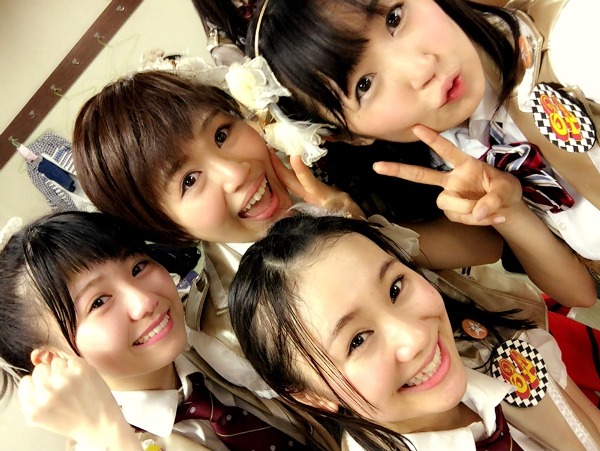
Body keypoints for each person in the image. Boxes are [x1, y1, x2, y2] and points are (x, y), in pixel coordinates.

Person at [72, 70, 595, 308]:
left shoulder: (335, 164)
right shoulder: (239, 312)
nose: (234, 172)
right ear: (166, 228)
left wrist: (358, 224)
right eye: (190, 181)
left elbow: (484, 244)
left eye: (223, 133)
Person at [244, 0, 600, 275]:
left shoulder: (577, 42)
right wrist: (513, 213)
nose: (421, 67)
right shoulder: (454, 156)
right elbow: (579, 290)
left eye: (394, 18)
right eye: (364, 85)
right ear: (349, 136)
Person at [227, 212, 600, 450]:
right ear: (311, 395)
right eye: (358, 340)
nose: (416, 338)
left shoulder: (491, 349)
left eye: (395, 288)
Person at [0, 211, 336, 450]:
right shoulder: (106, 440)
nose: (145, 301)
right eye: (98, 302)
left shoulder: (218, 324)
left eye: (138, 267)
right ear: (51, 360)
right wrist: (109, 436)